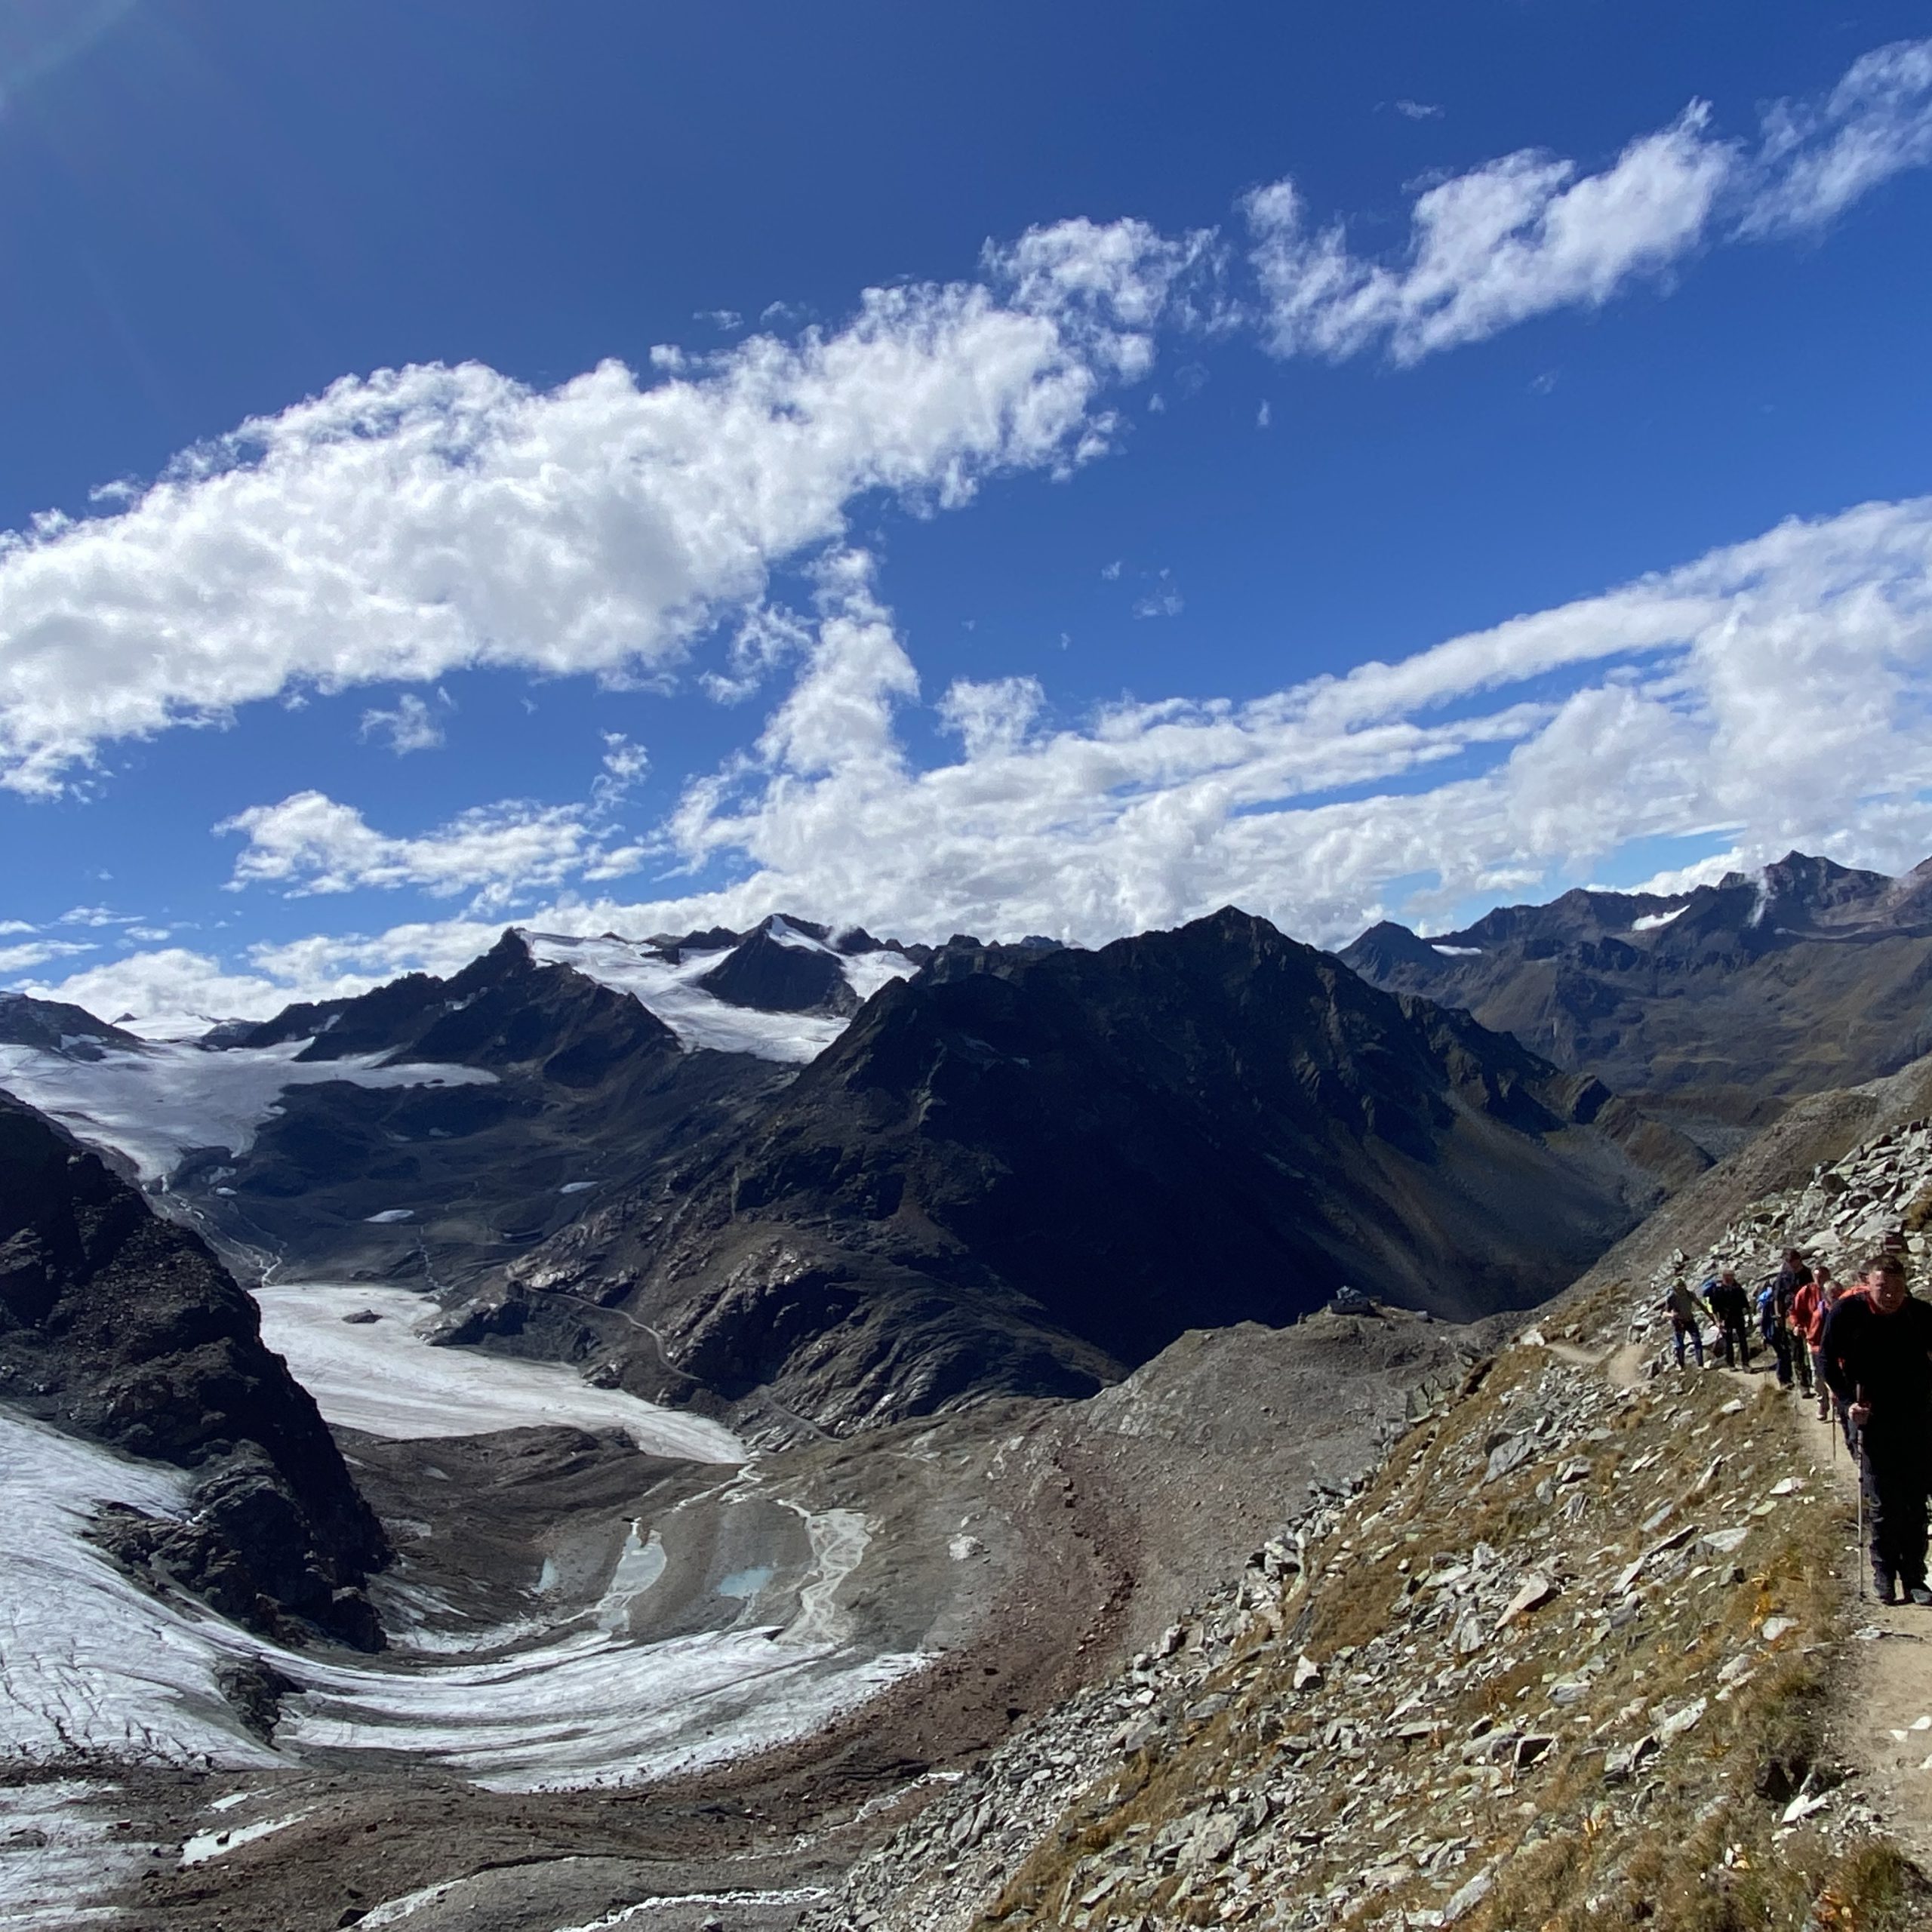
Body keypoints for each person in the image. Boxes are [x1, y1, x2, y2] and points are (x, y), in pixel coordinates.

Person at [1821, 1251, 1932, 1606]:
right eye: (1883, 1287)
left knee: (1915, 1503)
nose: (1891, 1295)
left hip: (1916, 1420)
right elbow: (1826, 1360)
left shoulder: (1920, 1315)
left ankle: (1914, 1577)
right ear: (1866, 1283)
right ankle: (1884, 1573)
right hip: (1871, 1420)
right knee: (1884, 1503)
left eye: (1897, 1287)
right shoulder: (1847, 1313)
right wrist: (1845, 1402)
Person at [1770, 1250, 1814, 1395]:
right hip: (1791, 1316)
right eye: (1788, 1262)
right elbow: (1778, 1298)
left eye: (1793, 1261)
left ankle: (1814, 1378)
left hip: (1809, 1315)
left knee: (1811, 1348)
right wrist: (1778, 1315)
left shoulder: (1807, 1274)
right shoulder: (1783, 1277)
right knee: (1797, 1350)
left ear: (1799, 1259)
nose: (1791, 1264)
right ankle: (1803, 1383)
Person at [1796, 1264, 1836, 1420]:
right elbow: (1796, 1312)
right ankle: (1822, 1404)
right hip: (1814, 1341)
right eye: (1817, 1278)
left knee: (1835, 1374)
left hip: (1833, 1340)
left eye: (1822, 1277)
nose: (1819, 1281)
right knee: (1818, 1375)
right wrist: (1798, 1325)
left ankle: (1838, 1406)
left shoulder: (1835, 1290)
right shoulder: (1806, 1292)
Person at [1705, 1266, 1752, 1369]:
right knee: (1728, 1341)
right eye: (1728, 1276)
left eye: (1732, 1276)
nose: (1731, 1278)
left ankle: (1745, 1363)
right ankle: (1730, 1363)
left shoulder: (1737, 1288)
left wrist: (1750, 1317)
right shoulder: (1718, 1290)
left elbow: (1745, 1304)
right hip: (1725, 1319)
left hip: (1738, 1316)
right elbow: (1715, 1308)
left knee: (1743, 1340)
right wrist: (1717, 1321)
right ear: (1724, 1276)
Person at [1662, 1276, 1713, 1369]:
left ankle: (1700, 1364)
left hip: (1689, 1320)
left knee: (1697, 1341)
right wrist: (1672, 1315)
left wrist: (1710, 1316)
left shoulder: (1690, 1295)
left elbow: (1700, 1304)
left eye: (1681, 1289)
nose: (1680, 1291)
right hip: (1678, 1323)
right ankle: (1681, 1364)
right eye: (1677, 1289)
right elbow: (1665, 1313)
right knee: (1679, 1345)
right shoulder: (1671, 1298)